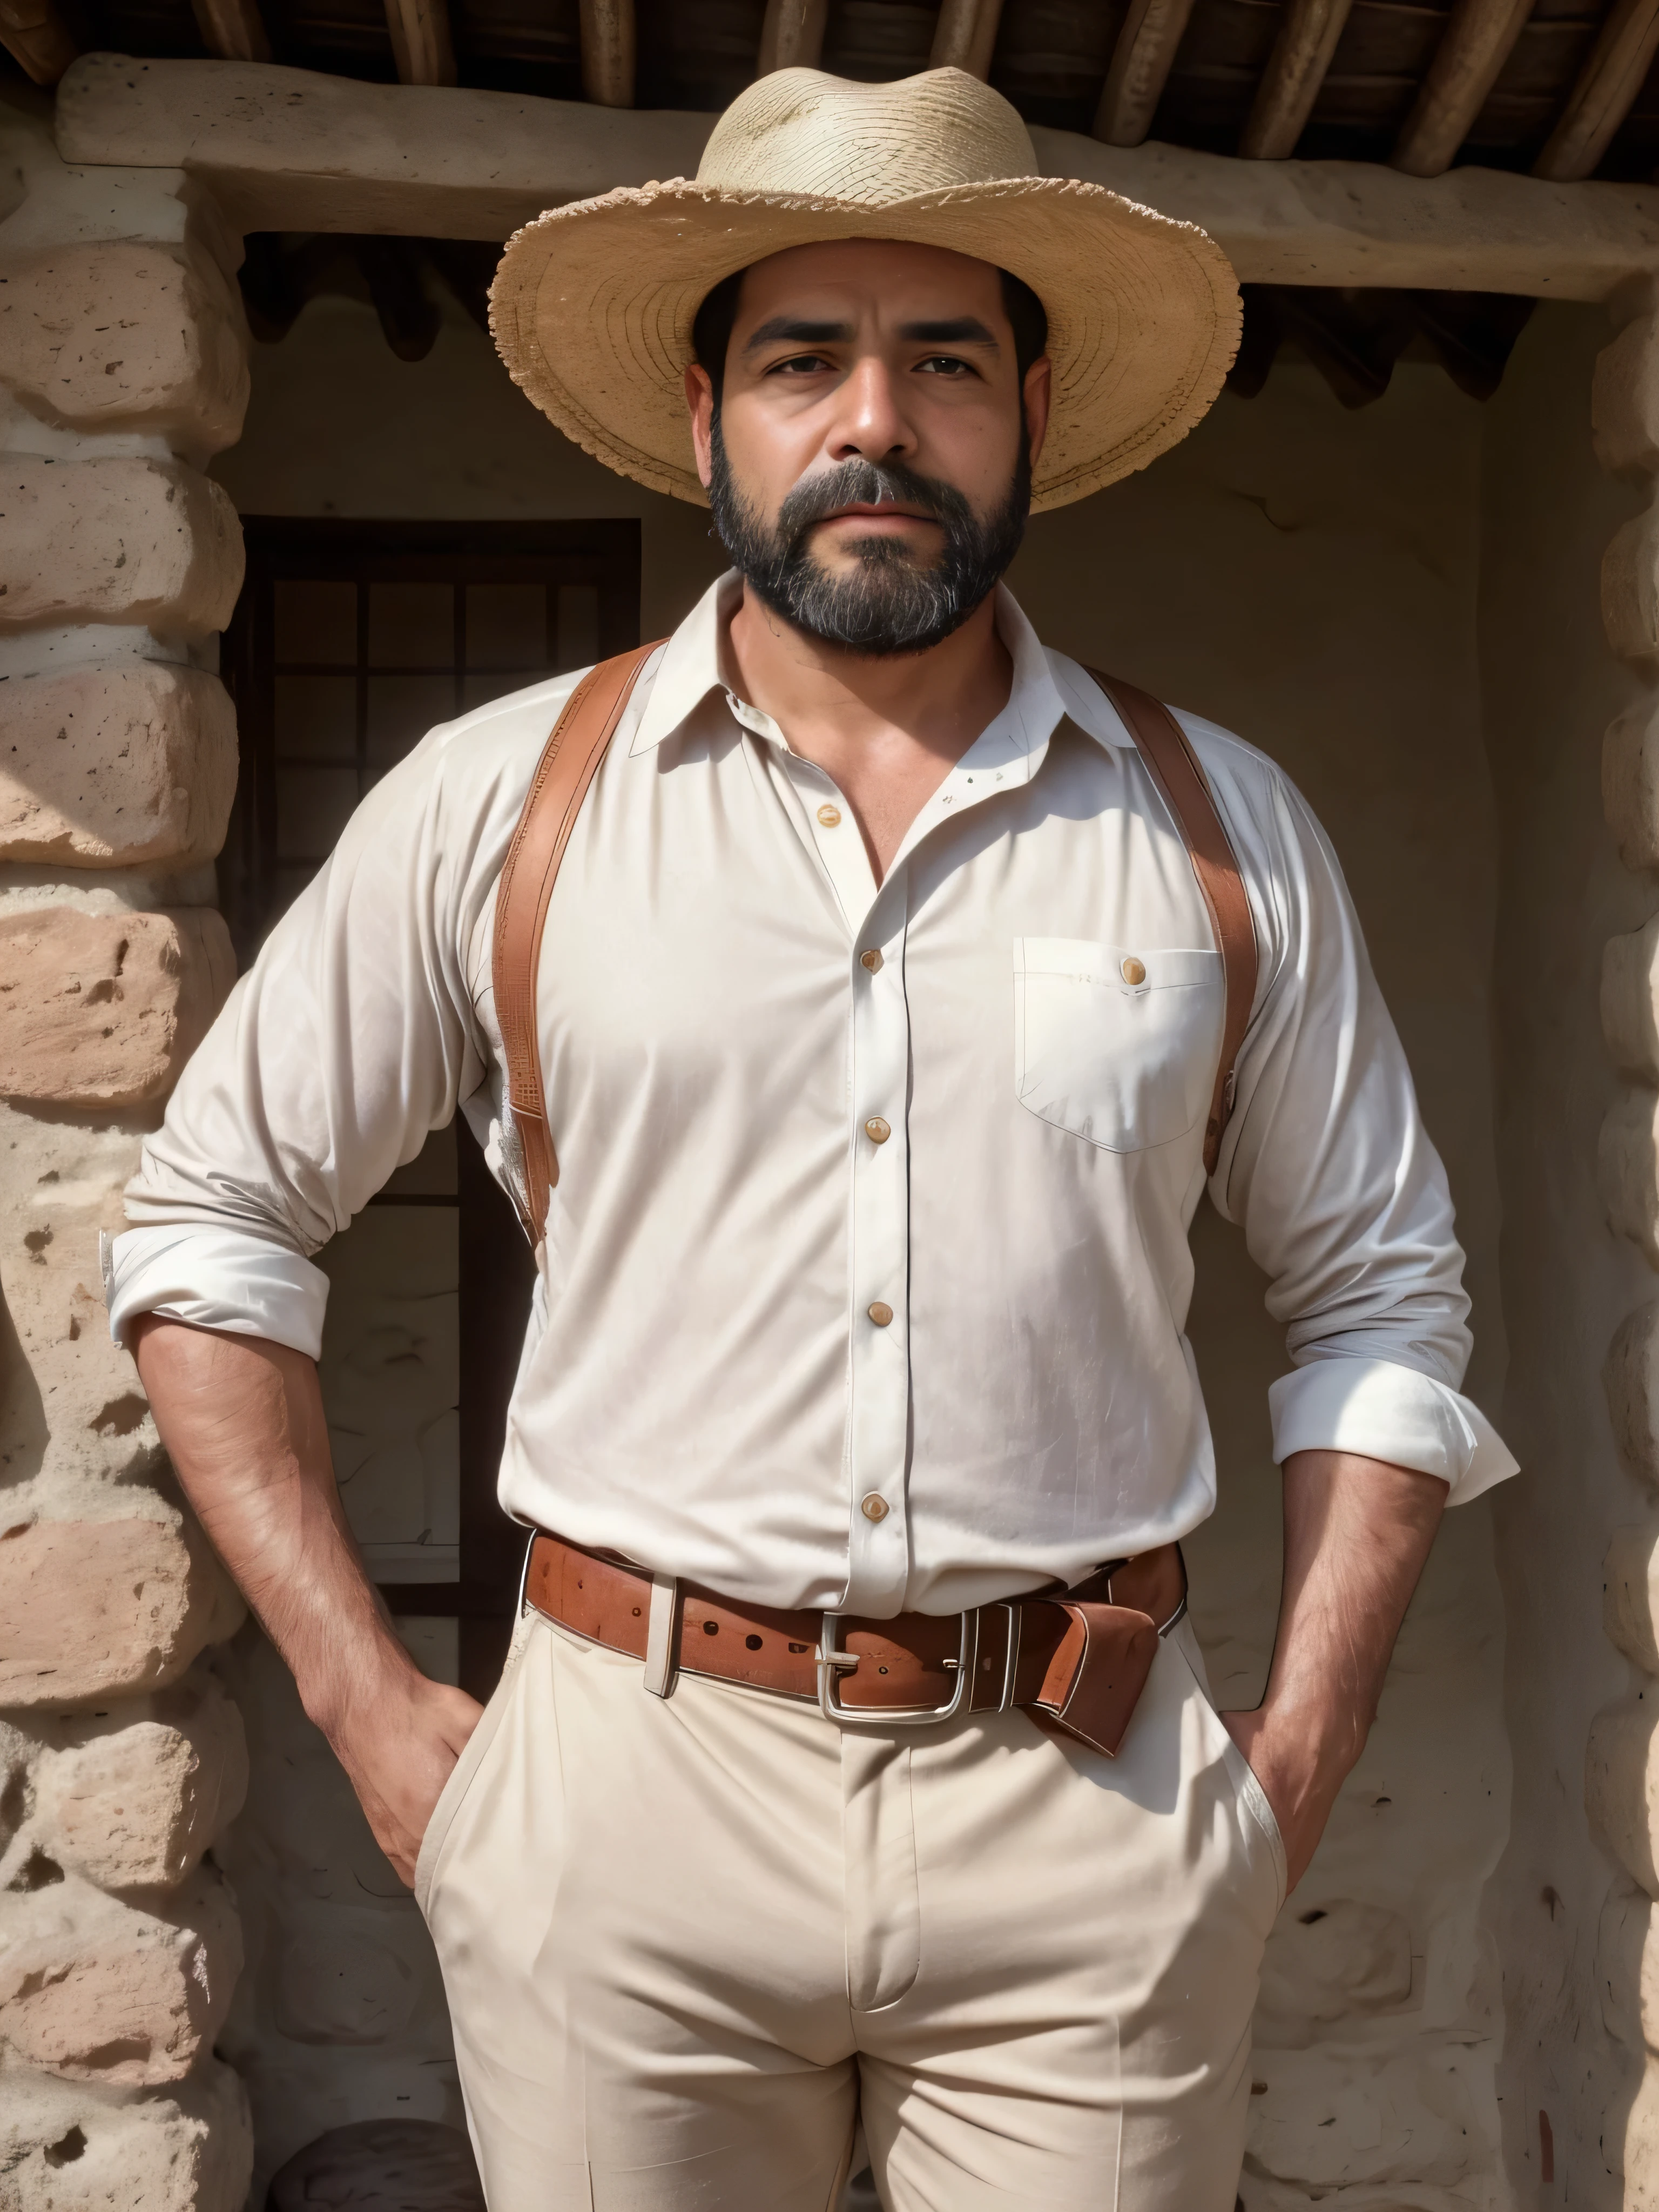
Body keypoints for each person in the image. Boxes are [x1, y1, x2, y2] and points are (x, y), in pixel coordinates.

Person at [108, 63, 1516, 2212]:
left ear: (1030, 404)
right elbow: (213, 1225)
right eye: (805, 360)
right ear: (709, 417)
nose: (876, 420)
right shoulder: (504, 804)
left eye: (943, 358)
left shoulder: (1218, 832)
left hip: (1095, 1805)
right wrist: (372, 1711)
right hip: (624, 1799)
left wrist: (1290, 1765)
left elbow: (1382, 1297)